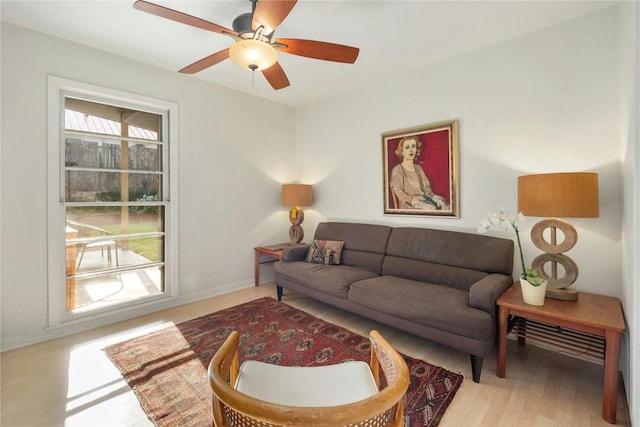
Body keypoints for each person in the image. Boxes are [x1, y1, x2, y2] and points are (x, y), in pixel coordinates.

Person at [389, 135, 449, 210]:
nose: (411, 150)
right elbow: (398, 191)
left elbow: (427, 190)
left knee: (444, 204)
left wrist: (436, 198)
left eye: (413, 146)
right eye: (407, 147)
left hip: (424, 201)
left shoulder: (418, 168)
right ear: (402, 151)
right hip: (408, 204)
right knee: (432, 208)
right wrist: (412, 200)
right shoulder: (398, 169)